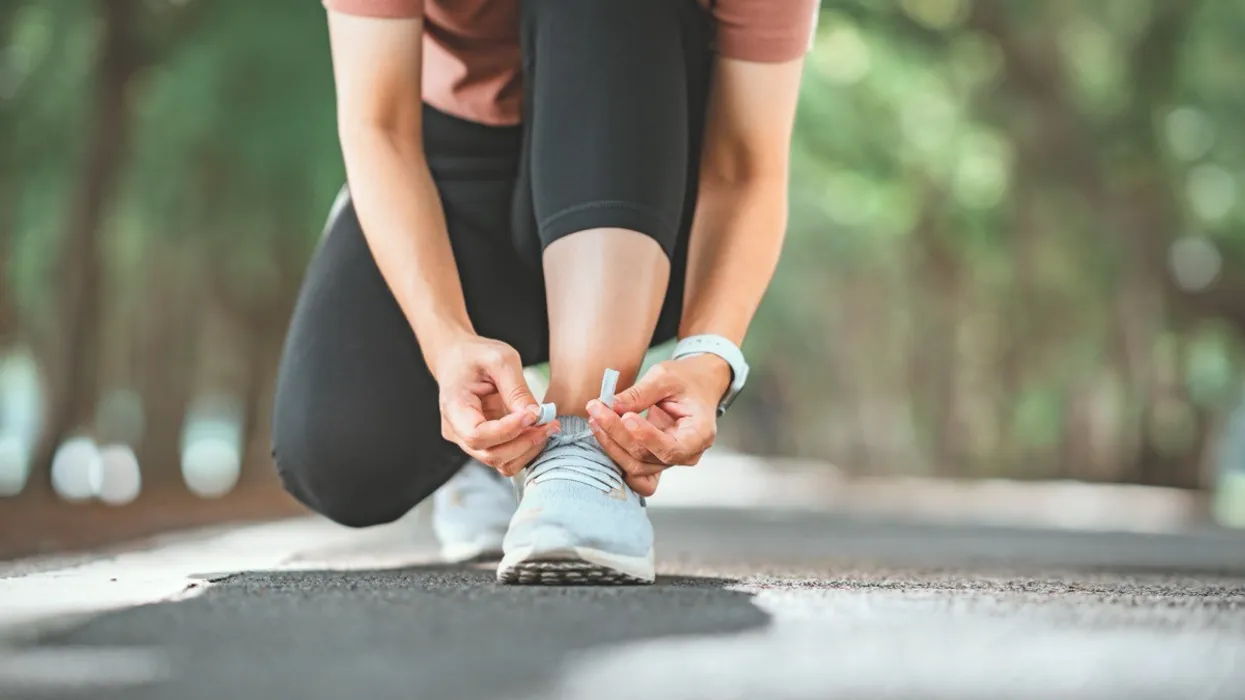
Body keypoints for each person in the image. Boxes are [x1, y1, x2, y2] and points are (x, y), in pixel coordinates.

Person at [271, 0, 815, 585]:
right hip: (451, 166)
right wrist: (445, 342)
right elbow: (377, 125)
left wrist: (711, 356)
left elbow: (745, 166)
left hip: (643, 166)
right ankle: (492, 443)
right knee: (343, 456)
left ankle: (581, 452)